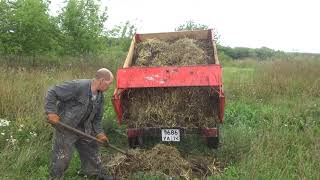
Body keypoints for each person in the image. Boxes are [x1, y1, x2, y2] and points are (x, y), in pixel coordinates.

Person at [45, 68, 114, 180]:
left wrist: (100, 133)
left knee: (91, 150)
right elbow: (52, 91)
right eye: (109, 84)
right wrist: (51, 112)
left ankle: (92, 174)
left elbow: (96, 119)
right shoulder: (78, 86)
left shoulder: (100, 97)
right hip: (66, 128)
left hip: (83, 129)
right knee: (62, 158)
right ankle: (55, 177)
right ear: (101, 80)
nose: (109, 87)